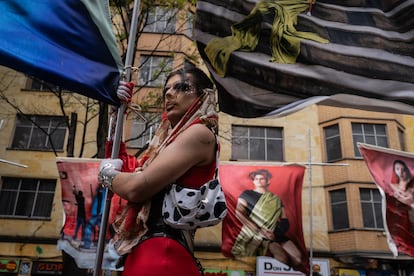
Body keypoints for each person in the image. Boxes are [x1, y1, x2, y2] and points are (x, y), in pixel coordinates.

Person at [98, 66, 218, 275]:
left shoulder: (199, 132)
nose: (169, 94)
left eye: (183, 87)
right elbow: (131, 174)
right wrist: (117, 116)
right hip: (150, 250)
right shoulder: (166, 144)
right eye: (166, 90)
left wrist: (106, 175)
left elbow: (136, 188)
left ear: (203, 96)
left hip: (162, 253)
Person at [232, 169, 302, 269]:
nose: (258, 180)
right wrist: (259, 231)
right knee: (282, 258)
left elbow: (284, 220)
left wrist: (275, 233)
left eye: (262, 178)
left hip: (275, 233)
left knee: (297, 258)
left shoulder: (276, 199)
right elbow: (239, 213)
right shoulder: (247, 194)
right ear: (253, 181)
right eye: (256, 179)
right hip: (256, 233)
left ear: (268, 181)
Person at [389, 160, 414, 233]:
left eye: (403, 169)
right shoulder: (393, 186)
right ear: (394, 170)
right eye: (397, 169)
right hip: (401, 221)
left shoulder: (411, 187)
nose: (400, 172)